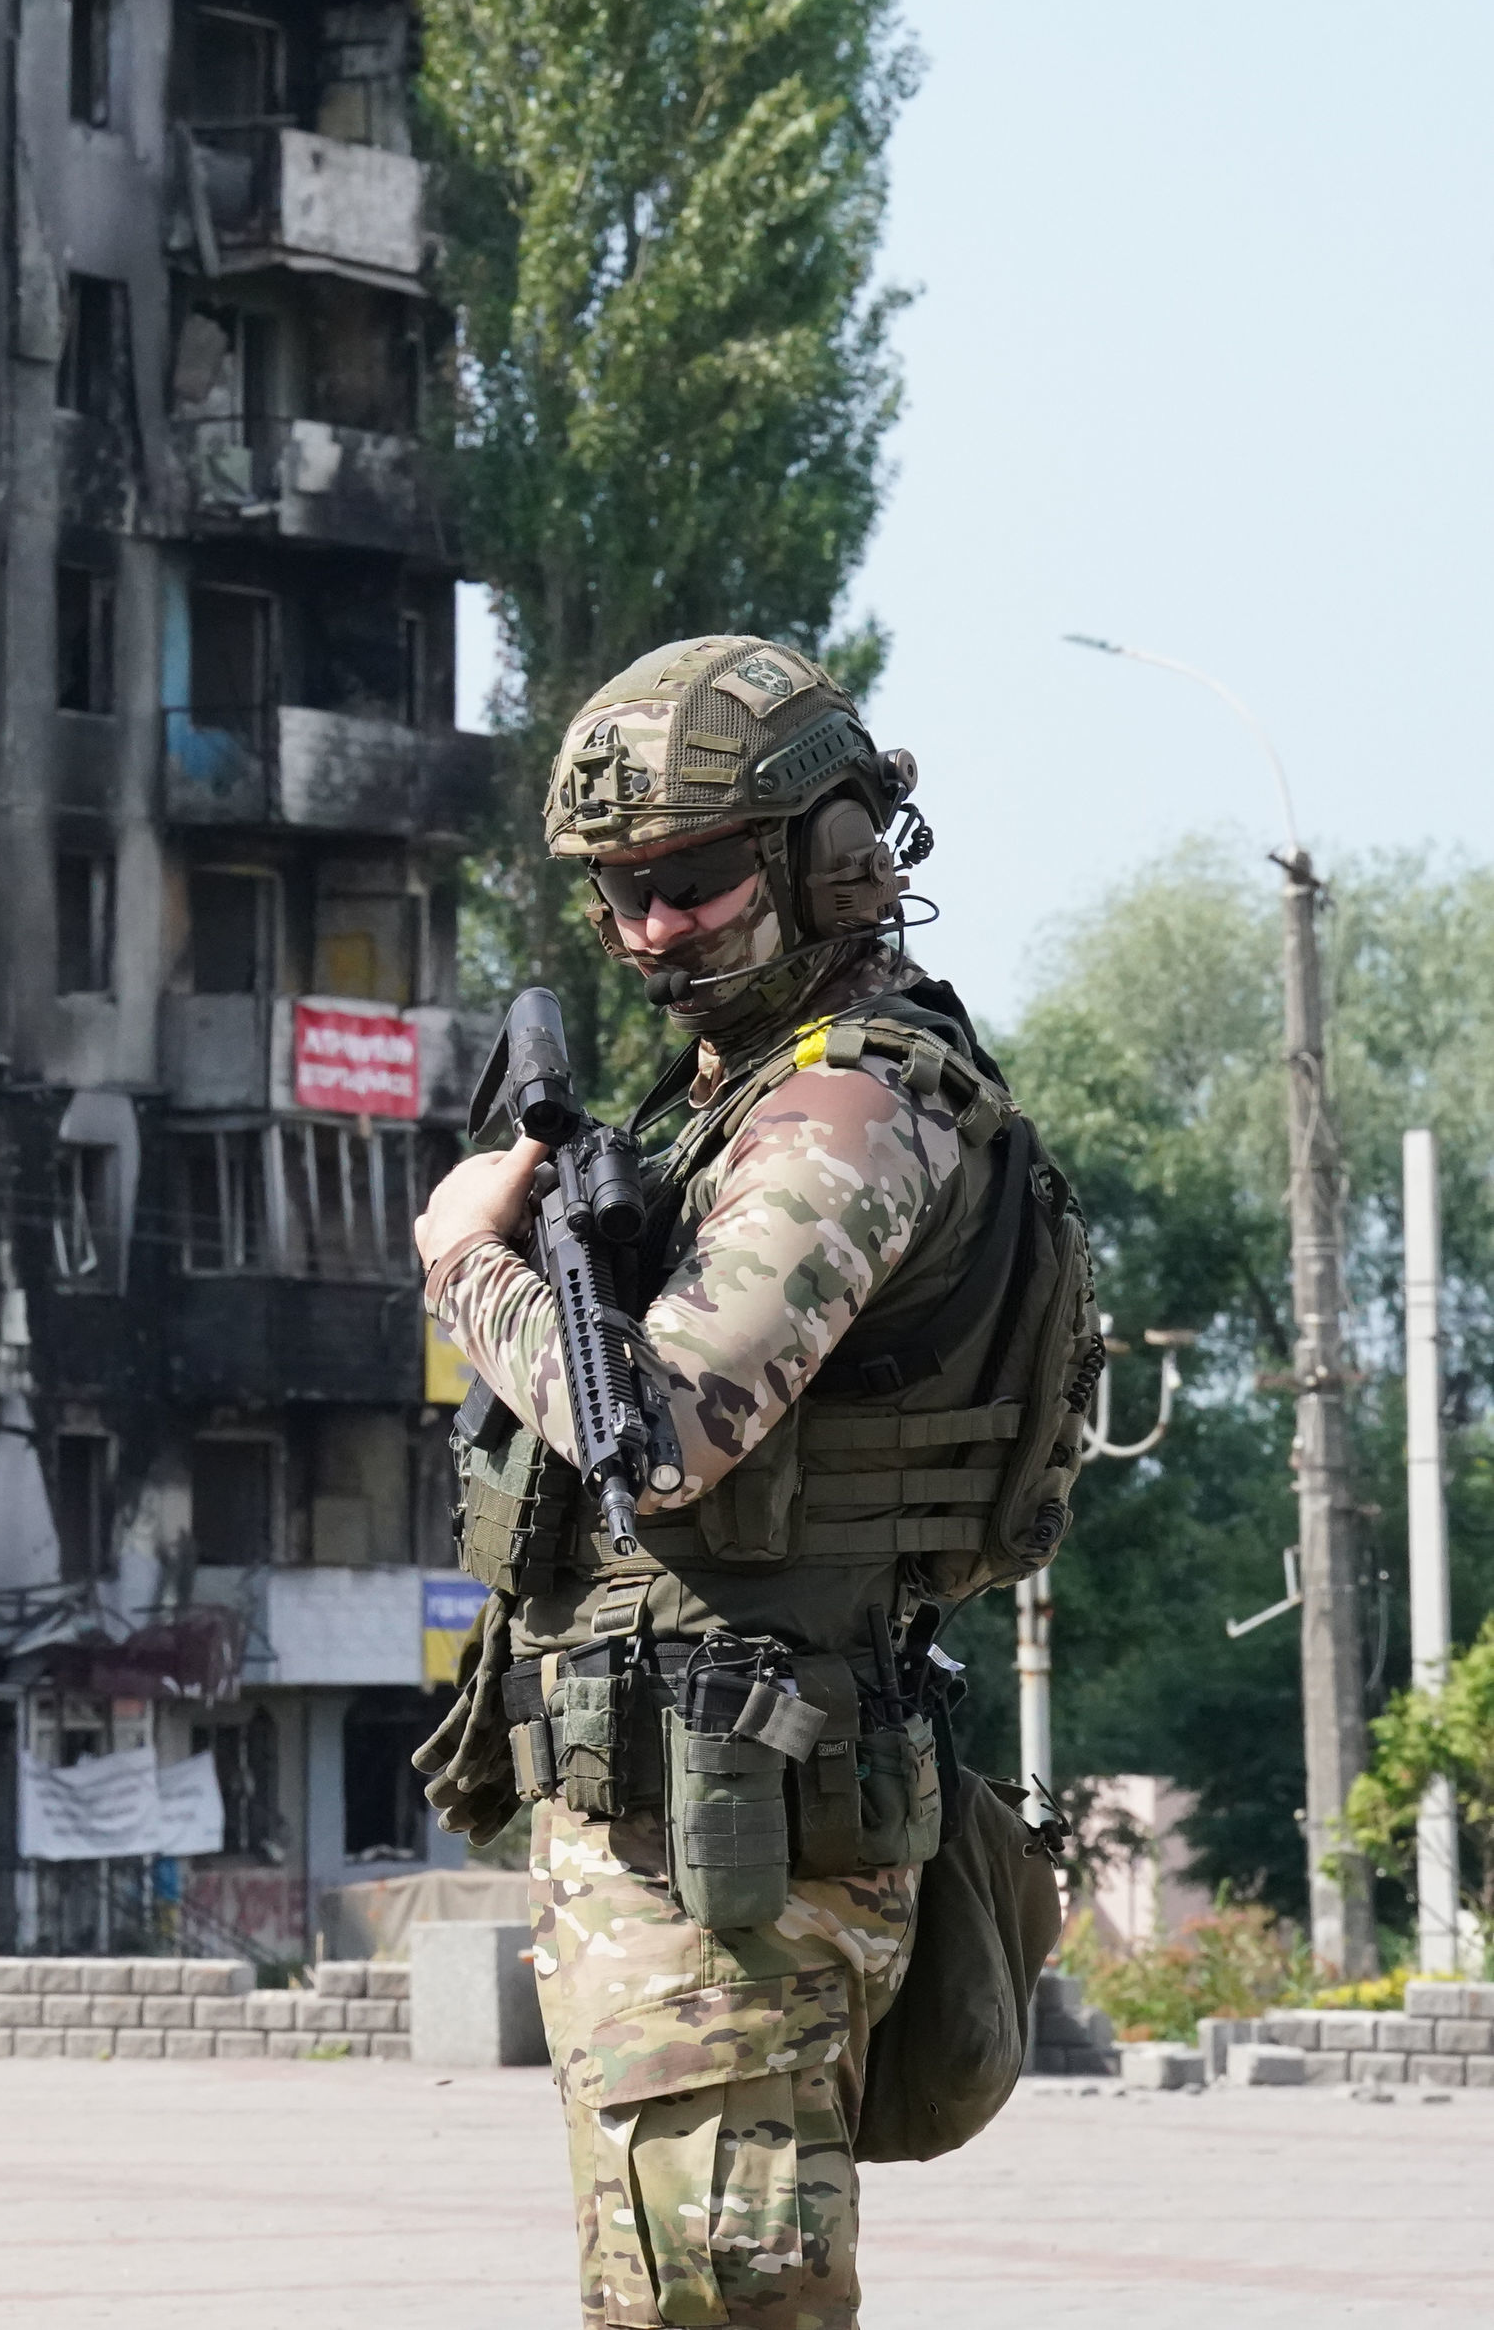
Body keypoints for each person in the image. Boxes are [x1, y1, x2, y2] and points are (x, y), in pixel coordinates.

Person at [408, 635, 1088, 2328]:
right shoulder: (752, 1099)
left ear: (831, 850)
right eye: (621, 894)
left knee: (713, 2302)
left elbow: (669, 1427)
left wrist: (467, 1267)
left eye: (692, 881)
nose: (651, 931)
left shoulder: (848, 1108)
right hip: (691, 1824)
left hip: (738, 1846)